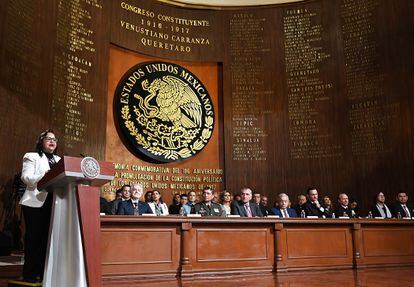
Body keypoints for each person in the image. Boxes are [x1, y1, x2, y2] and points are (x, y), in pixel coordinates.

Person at [19, 129, 60, 283]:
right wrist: (45, 174)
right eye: (48, 138)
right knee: (34, 239)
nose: (52, 141)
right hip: (35, 203)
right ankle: (29, 275)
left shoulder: (59, 160)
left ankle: (44, 274)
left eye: (55, 139)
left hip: (54, 203)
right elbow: (27, 178)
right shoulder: (32, 156)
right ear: (41, 141)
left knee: (47, 241)